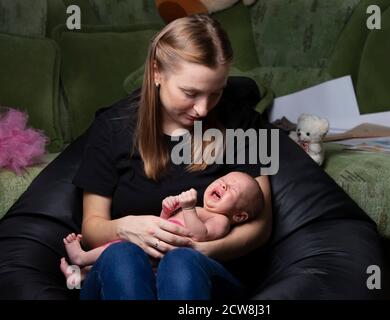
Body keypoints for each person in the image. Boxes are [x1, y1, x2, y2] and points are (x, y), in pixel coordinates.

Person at [71, 13, 272, 300]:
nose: (202, 109)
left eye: (215, 93)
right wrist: (125, 227)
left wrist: (198, 249)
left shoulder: (244, 124)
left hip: (204, 274)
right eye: (190, 93)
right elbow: (92, 226)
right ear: (157, 72)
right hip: (124, 273)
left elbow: (261, 226)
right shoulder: (111, 127)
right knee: (122, 256)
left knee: (181, 263)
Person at [60, 171, 265, 288]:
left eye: (232, 189)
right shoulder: (201, 209)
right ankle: (82, 275)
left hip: (169, 254)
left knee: (120, 249)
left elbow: (199, 236)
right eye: (223, 181)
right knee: (118, 249)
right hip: (157, 245)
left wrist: (188, 209)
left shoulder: (221, 221)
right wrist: (166, 213)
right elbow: (167, 226)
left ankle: (82, 258)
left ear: (239, 216)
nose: (223, 186)